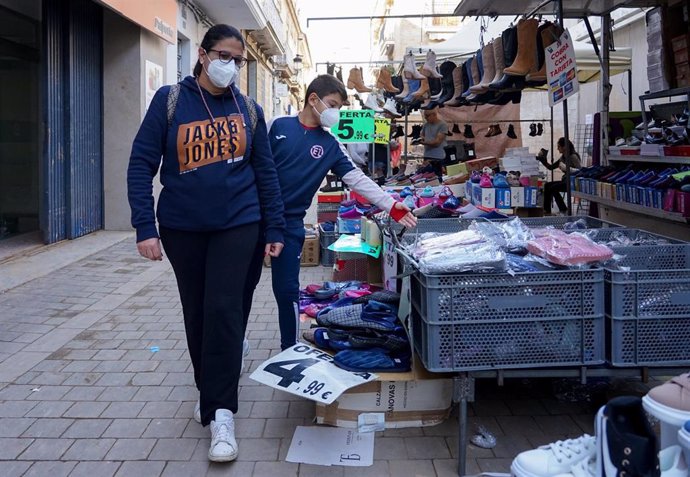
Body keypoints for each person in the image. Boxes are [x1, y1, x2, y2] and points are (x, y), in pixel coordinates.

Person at [127, 24, 285, 462]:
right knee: (197, 312)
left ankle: (221, 411)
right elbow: (141, 164)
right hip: (183, 228)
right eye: (224, 56)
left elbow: (266, 174)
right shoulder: (171, 101)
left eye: (238, 60)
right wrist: (145, 227)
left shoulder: (249, 109)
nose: (230, 65)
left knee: (223, 310)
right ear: (201, 54)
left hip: (240, 224)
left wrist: (274, 229)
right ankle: (211, 387)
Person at [243, 74, 417, 352]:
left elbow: (358, 180)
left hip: (289, 225)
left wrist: (391, 205)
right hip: (252, 219)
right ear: (313, 100)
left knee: (287, 290)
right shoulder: (276, 125)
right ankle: (236, 342)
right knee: (243, 286)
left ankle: (289, 348)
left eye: (340, 107)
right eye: (333, 104)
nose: (336, 113)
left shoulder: (331, 145)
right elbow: (248, 164)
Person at [537, 137, 582, 215]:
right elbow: (551, 167)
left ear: (564, 147)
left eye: (559, 147)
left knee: (553, 188)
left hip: (573, 182)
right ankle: (547, 210)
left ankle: (563, 208)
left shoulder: (573, 156)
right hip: (565, 180)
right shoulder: (563, 158)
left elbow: (580, 171)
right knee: (547, 185)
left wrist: (568, 169)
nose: (558, 149)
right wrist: (543, 160)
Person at [418, 106, 448, 181]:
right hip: (428, 155)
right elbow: (422, 134)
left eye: (427, 116)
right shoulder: (426, 125)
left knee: (438, 178)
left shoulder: (442, 125)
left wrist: (424, 142)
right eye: (425, 116)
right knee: (426, 177)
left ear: (434, 114)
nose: (426, 118)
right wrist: (420, 139)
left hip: (439, 156)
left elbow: (437, 142)